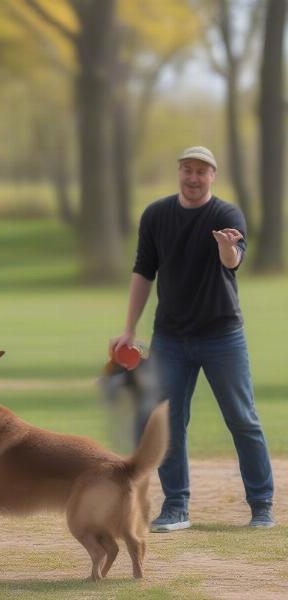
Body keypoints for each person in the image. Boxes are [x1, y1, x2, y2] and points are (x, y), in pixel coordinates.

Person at [110, 146, 274, 532]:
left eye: (202, 171)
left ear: (212, 175)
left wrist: (226, 247)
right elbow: (142, 272)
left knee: (242, 418)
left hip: (222, 335)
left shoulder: (226, 215)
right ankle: (176, 506)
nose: (194, 177)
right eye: (187, 169)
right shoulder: (156, 215)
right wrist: (129, 328)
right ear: (179, 172)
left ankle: (261, 503)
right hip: (169, 337)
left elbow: (233, 261)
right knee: (168, 421)